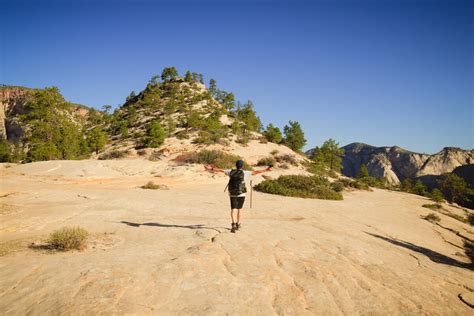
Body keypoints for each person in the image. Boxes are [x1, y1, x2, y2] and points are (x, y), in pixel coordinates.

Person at [205, 160, 272, 233]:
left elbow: (221, 170)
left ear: (236, 165)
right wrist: (266, 169)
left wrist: (211, 168)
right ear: (242, 166)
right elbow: (256, 172)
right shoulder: (245, 173)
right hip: (241, 194)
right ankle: (238, 224)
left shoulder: (230, 171)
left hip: (232, 193)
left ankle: (233, 224)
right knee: (239, 209)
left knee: (233, 209)